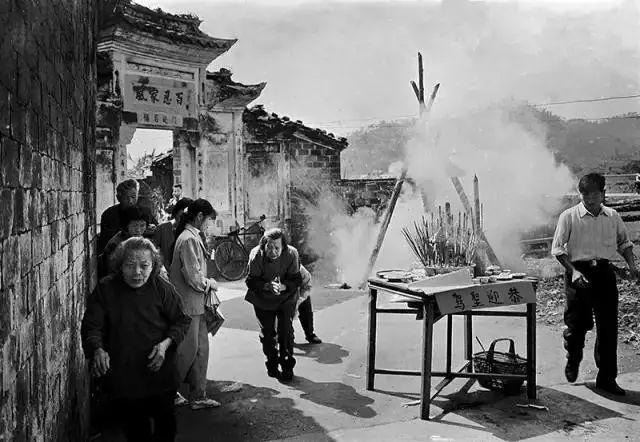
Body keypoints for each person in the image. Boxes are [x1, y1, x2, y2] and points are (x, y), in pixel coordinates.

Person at [81, 237, 191, 442]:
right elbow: (92, 326)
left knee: (166, 429)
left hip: (160, 372)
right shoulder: (106, 289)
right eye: (130, 265)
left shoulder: (160, 287)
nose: (137, 272)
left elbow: (181, 320)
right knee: (136, 432)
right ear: (120, 265)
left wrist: (165, 344)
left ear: (153, 265)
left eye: (144, 265)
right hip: (125, 377)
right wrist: (97, 349)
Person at [551, 172, 639, 395]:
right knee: (576, 325)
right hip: (577, 273)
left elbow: (624, 243)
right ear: (580, 194)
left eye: (594, 195)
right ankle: (573, 358)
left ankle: (607, 378)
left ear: (603, 193)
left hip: (603, 273)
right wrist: (573, 272)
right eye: (585, 195)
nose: (590, 199)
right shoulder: (569, 217)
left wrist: (632, 265)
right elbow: (558, 249)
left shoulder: (613, 217)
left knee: (608, 327)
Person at [170, 198, 221, 409]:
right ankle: (167, 391)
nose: (209, 225)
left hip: (194, 304)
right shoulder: (188, 239)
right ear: (200, 217)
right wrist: (210, 283)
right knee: (187, 351)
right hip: (188, 305)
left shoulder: (190, 236)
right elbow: (194, 277)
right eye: (209, 220)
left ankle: (198, 395)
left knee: (200, 349)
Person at [245, 228, 302, 381]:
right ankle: (272, 363)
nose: (273, 251)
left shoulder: (292, 254)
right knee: (268, 334)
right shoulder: (256, 255)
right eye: (269, 247)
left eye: (277, 248)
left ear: (283, 247)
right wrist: (266, 286)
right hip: (262, 297)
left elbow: (296, 279)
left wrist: (283, 286)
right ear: (263, 245)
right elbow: (250, 281)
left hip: (285, 297)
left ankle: (287, 365)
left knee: (286, 331)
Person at [99, 206, 149, 277]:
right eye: (134, 225)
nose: (138, 230)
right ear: (126, 225)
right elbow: (112, 271)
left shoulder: (138, 239)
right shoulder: (116, 244)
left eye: (142, 225)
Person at [98, 179, 140, 255]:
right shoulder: (109, 214)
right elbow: (106, 242)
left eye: (133, 197)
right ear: (118, 198)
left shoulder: (144, 212)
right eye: (126, 198)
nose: (130, 201)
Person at [154, 197, 193, 272]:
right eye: (181, 217)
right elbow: (154, 251)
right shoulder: (162, 228)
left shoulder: (190, 232)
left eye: (187, 218)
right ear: (175, 213)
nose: (183, 220)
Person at [297, 264, 322, 344]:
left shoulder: (302, 271)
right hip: (281, 293)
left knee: (306, 307)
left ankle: (310, 334)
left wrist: (298, 301)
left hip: (299, 291)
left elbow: (307, 287)